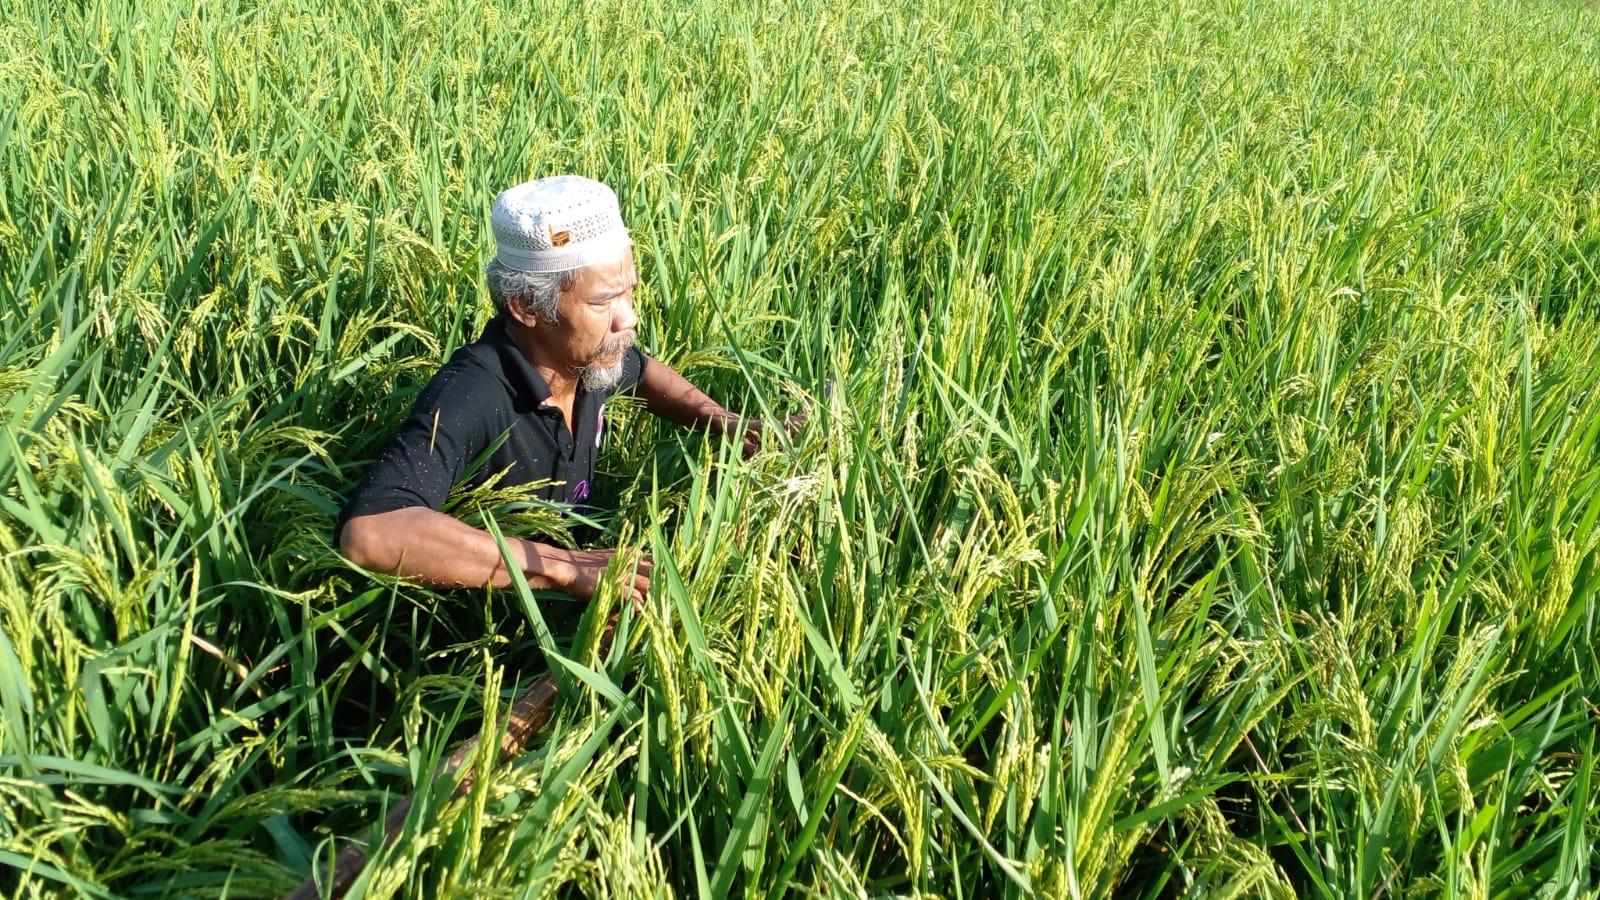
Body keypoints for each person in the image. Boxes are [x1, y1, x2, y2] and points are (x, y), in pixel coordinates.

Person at [336, 175, 790, 607]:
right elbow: (371, 533)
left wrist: (734, 427)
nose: (627, 318)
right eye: (602, 301)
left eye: (628, 292)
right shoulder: (474, 394)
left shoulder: (588, 360)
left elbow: (644, 372)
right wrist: (564, 568)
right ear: (527, 306)